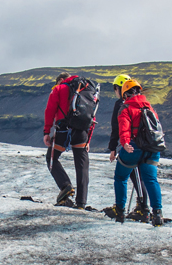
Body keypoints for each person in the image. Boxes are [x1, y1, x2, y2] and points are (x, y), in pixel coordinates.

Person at [111, 79, 163, 226]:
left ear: (125, 94)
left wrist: (125, 143)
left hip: (133, 147)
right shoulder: (149, 107)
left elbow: (124, 128)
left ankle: (120, 212)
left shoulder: (125, 107)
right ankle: (157, 214)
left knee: (121, 177)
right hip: (152, 149)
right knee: (151, 180)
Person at [43, 72, 94, 208]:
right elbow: (91, 116)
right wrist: (89, 138)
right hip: (82, 131)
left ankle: (65, 185)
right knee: (82, 166)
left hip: (64, 130)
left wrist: (47, 132)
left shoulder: (59, 89)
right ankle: (81, 202)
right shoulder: (87, 89)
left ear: (60, 80)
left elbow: (50, 110)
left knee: (51, 158)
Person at [104, 74, 149, 222]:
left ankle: (134, 209)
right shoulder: (140, 101)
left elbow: (116, 127)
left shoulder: (121, 104)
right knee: (139, 176)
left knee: (129, 176)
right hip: (145, 144)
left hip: (130, 146)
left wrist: (113, 148)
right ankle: (143, 208)